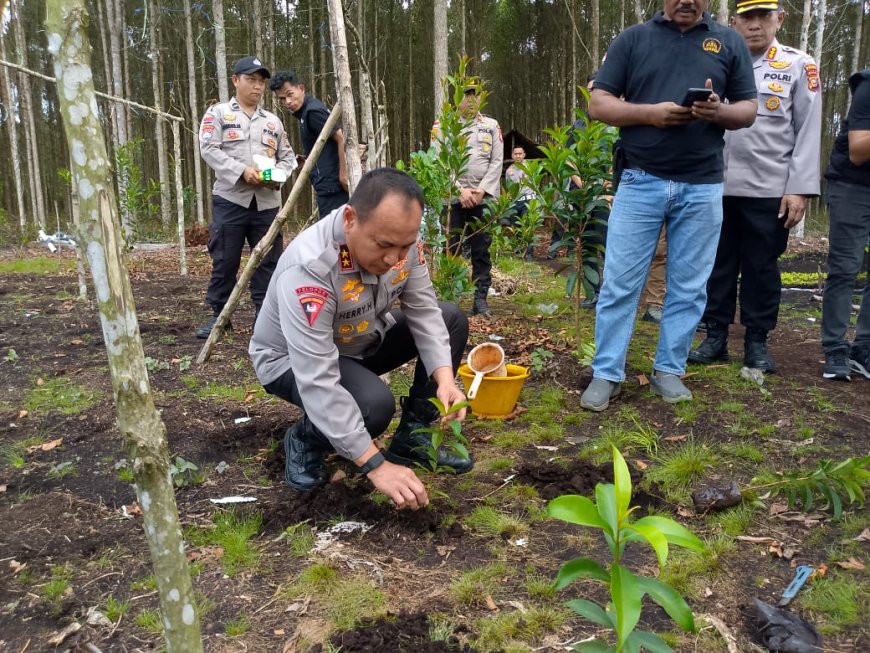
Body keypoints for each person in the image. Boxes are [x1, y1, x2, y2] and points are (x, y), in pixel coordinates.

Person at [249, 168, 473, 510]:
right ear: (351, 219)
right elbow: (318, 378)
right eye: (384, 246)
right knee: (372, 406)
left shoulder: (401, 242)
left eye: (404, 247)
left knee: (450, 318)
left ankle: (413, 438)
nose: (394, 259)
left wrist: (445, 379)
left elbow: (424, 311)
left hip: (358, 339)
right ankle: (305, 439)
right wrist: (375, 465)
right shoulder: (312, 267)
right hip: (292, 361)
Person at [579, 0, 757, 412]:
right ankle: (607, 372)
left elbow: (747, 109)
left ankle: (669, 370)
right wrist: (650, 114)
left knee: (690, 286)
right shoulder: (634, 39)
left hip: (703, 184)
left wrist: (719, 112)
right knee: (621, 283)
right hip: (640, 179)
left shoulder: (728, 41)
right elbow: (599, 103)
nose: (686, 1)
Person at [689, 0, 822, 374]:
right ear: (733, 21)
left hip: (769, 187)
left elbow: (808, 129)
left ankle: (756, 341)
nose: (755, 25)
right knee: (716, 264)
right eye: (747, 17)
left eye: (764, 17)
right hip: (713, 182)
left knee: (762, 267)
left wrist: (799, 188)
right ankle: (714, 336)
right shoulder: (715, 58)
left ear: (779, 19)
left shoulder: (798, 64)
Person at [195, 56, 296, 339]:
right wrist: (241, 172)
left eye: (261, 82)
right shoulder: (218, 114)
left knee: (268, 261)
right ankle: (220, 317)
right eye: (251, 80)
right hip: (231, 200)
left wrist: (278, 176)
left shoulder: (273, 122)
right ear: (235, 80)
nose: (257, 87)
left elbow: (287, 158)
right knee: (225, 259)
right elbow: (209, 149)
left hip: (266, 204)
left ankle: (263, 320)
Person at [431, 84, 504, 316]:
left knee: (481, 250)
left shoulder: (491, 125)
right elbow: (439, 161)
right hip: (452, 199)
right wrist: (459, 190)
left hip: (483, 199)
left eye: (476, 95)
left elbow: (496, 161)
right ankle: (450, 298)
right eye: (466, 95)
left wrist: (481, 190)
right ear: (456, 98)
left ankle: (480, 298)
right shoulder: (442, 126)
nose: (471, 100)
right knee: (451, 247)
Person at [819, 68, 870, 381]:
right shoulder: (868, 85)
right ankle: (835, 347)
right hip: (854, 186)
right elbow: (859, 150)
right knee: (845, 267)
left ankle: (864, 346)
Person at [270, 70, 349, 217]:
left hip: (333, 189)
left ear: (301, 88)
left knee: (334, 236)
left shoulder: (312, 112)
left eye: (290, 94)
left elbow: (341, 137)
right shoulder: (305, 113)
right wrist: (308, 161)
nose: (287, 102)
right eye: (282, 98)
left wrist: (343, 175)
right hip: (327, 187)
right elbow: (325, 146)